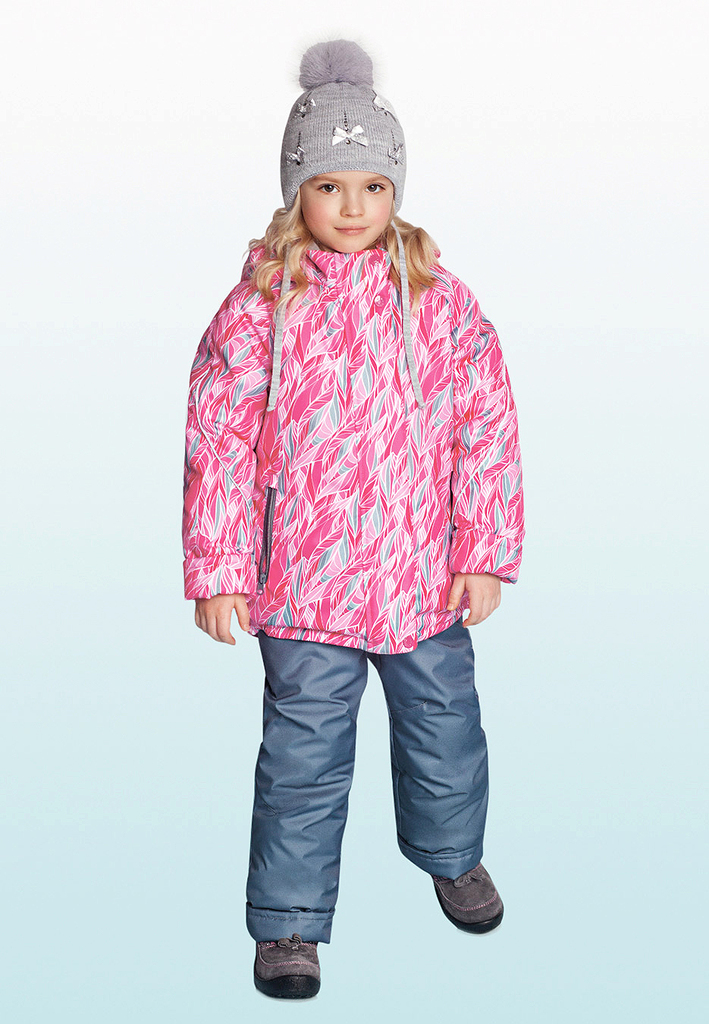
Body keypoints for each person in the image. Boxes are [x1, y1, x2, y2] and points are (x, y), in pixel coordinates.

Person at [181, 39, 525, 1000]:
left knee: (445, 729)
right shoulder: (260, 307)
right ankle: (288, 921)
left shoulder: (438, 303)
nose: (351, 207)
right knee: (301, 759)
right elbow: (217, 440)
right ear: (296, 191)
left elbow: (485, 425)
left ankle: (452, 856)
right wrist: (219, 570)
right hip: (302, 583)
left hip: (421, 581)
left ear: (395, 191)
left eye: (373, 186)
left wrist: (483, 551)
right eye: (328, 186)